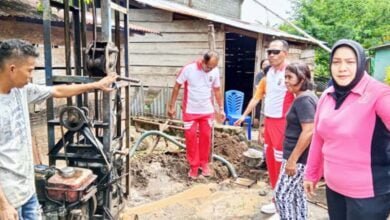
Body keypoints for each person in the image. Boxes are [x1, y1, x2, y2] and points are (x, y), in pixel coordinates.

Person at [0, 39, 117, 220]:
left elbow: (57, 91)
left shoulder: (21, 90)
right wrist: (4, 205)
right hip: (8, 199)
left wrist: (95, 85)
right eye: (30, 70)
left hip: (27, 190)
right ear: (12, 69)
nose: (31, 76)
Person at [304, 39, 390, 219]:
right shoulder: (327, 96)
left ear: (361, 64)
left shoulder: (378, 94)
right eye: (336, 62)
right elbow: (319, 139)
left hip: (368, 196)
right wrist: (311, 174)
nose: (342, 68)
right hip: (334, 189)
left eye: (350, 62)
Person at [168, 51, 225, 180]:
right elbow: (177, 86)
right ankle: (194, 166)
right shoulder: (189, 69)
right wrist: (171, 106)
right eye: (208, 67)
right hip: (190, 111)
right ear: (203, 61)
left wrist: (221, 109)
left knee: (206, 137)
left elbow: (217, 90)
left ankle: (204, 164)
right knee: (191, 139)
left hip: (207, 111)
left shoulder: (214, 71)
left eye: (213, 67)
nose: (210, 70)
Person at [273, 63, 318, 220]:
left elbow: (309, 131)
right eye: (285, 77)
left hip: (298, 159)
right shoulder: (307, 96)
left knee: (281, 195)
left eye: (290, 77)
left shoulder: (303, 100)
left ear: (302, 78)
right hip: (301, 158)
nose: (286, 81)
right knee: (297, 195)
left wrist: (292, 160)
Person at [253, 59, 270, 127]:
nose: (266, 66)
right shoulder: (259, 75)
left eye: (267, 64)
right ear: (261, 66)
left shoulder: (273, 74)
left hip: (269, 98)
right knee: (258, 113)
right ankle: (258, 126)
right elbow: (257, 86)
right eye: (264, 64)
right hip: (260, 97)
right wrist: (263, 94)